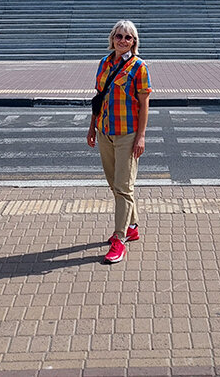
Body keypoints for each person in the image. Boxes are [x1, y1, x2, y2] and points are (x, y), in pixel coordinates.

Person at [87, 19, 152, 264]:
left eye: (128, 37)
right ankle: (132, 225)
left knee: (124, 188)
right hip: (105, 131)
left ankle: (120, 239)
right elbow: (99, 98)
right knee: (116, 185)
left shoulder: (139, 67)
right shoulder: (104, 63)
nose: (123, 41)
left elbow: (144, 104)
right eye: (119, 36)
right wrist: (92, 127)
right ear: (112, 38)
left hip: (128, 134)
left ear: (134, 42)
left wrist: (141, 136)